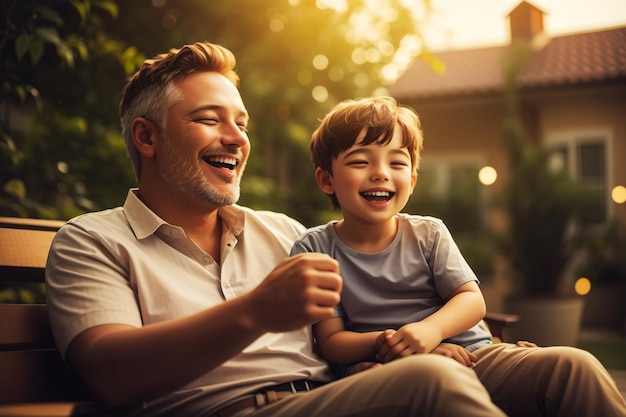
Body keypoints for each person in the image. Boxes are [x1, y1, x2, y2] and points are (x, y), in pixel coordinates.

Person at [45, 42, 512, 417]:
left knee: (565, 372)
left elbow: (373, 313)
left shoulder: (285, 233)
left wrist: (472, 342)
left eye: (241, 123)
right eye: (210, 119)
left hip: (334, 397)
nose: (236, 138)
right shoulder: (92, 241)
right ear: (147, 137)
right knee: (435, 383)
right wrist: (255, 311)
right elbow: (112, 375)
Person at [291, 96, 626, 417]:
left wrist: (430, 332)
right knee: (428, 377)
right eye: (360, 161)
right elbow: (332, 342)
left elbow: (471, 300)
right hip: (391, 373)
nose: (380, 173)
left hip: (474, 357)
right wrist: (400, 345)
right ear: (326, 179)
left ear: (412, 179)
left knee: (573, 365)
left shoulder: (428, 233)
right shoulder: (314, 249)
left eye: (396, 162)